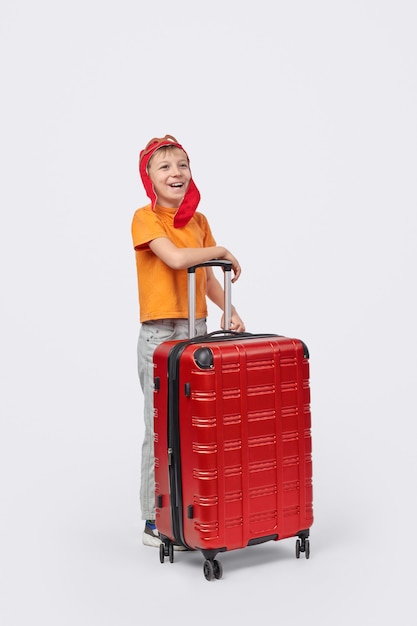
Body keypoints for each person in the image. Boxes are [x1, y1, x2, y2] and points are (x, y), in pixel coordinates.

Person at [131, 134, 245, 547]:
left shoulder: (198, 222)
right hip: (161, 333)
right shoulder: (145, 219)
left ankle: (189, 514)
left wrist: (227, 309)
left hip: (196, 330)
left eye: (182, 165)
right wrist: (222, 249)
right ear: (149, 178)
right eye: (165, 167)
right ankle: (153, 520)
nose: (176, 173)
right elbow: (178, 260)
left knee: (197, 426)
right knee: (160, 427)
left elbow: (208, 277)